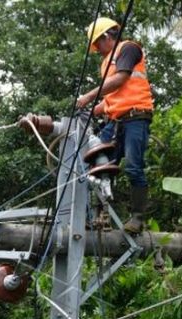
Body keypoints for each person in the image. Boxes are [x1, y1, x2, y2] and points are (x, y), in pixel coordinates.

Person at [76, 17, 155, 233]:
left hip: (136, 116)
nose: (98, 49)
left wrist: (88, 97)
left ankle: (137, 219)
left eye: (98, 44)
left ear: (106, 36)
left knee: (132, 166)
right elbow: (111, 99)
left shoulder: (128, 49)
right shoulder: (105, 63)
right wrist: (89, 109)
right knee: (97, 166)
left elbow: (120, 80)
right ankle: (100, 218)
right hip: (116, 120)